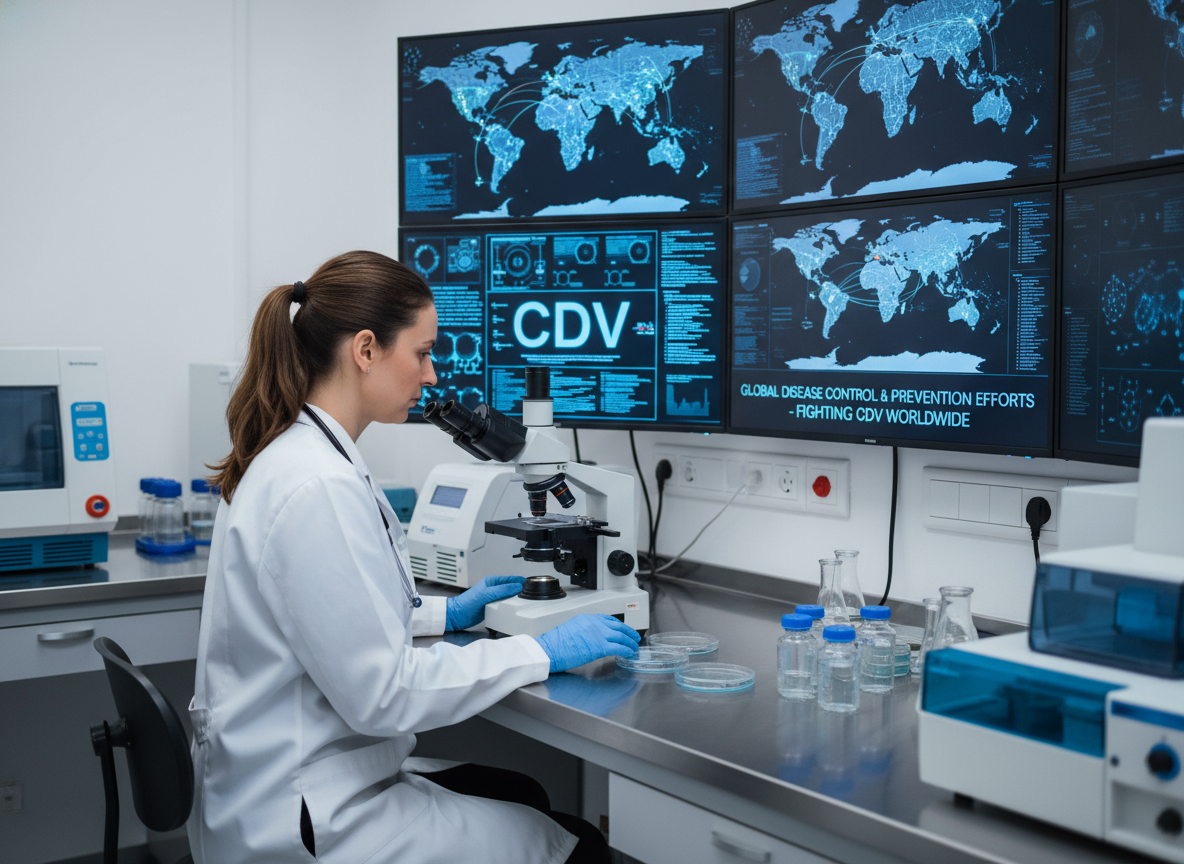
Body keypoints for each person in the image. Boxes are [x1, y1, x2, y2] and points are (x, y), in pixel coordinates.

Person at [187, 251, 641, 864]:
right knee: (577, 847)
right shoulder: (317, 483)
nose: (431, 376)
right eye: (422, 352)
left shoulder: (301, 452)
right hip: (310, 815)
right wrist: (542, 651)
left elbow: (329, 614)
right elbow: (386, 694)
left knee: (522, 790)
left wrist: (440, 618)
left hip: (293, 777)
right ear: (366, 349)